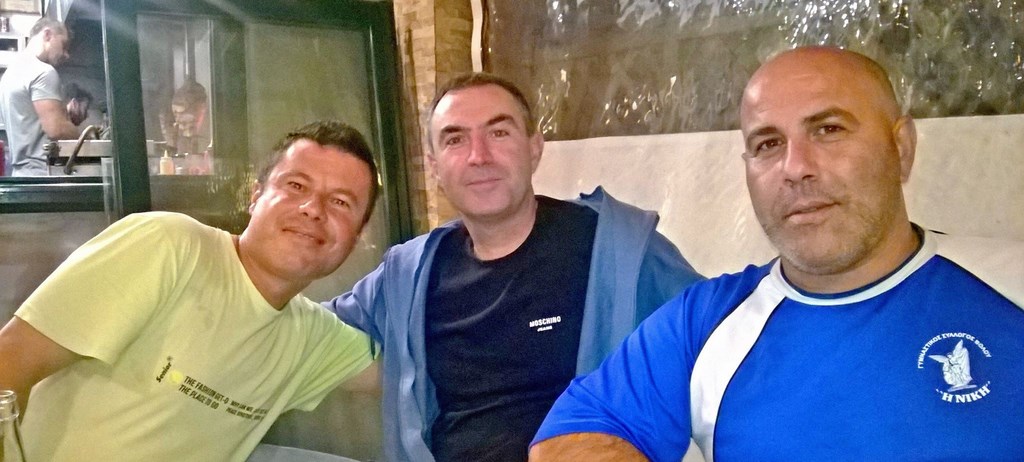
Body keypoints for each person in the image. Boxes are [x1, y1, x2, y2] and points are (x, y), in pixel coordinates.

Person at [529, 46, 1024, 461]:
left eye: (829, 129)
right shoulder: (706, 323)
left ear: (902, 148)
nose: (795, 167)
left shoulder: (1009, 284)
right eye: (768, 143)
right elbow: (570, 437)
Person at [325, 72, 703, 462]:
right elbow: (311, 331)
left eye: (499, 133)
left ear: (534, 148)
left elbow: (718, 336)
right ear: (434, 167)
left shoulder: (616, 248)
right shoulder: (410, 273)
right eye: (455, 140)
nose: (478, 156)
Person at [0, 120, 381, 461]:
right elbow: (10, 362)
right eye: (295, 186)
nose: (313, 209)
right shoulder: (168, 246)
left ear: (358, 235)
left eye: (340, 202)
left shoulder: (311, 339)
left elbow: (404, 368)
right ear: (255, 196)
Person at [0, 18, 82, 176]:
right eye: (64, 45)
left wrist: (65, 115)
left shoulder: (10, 73)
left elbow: (28, 121)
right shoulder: (43, 72)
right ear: (47, 35)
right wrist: (83, 136)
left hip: (21, 174)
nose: (66, 54)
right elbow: (56, 130)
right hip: (43, 174)